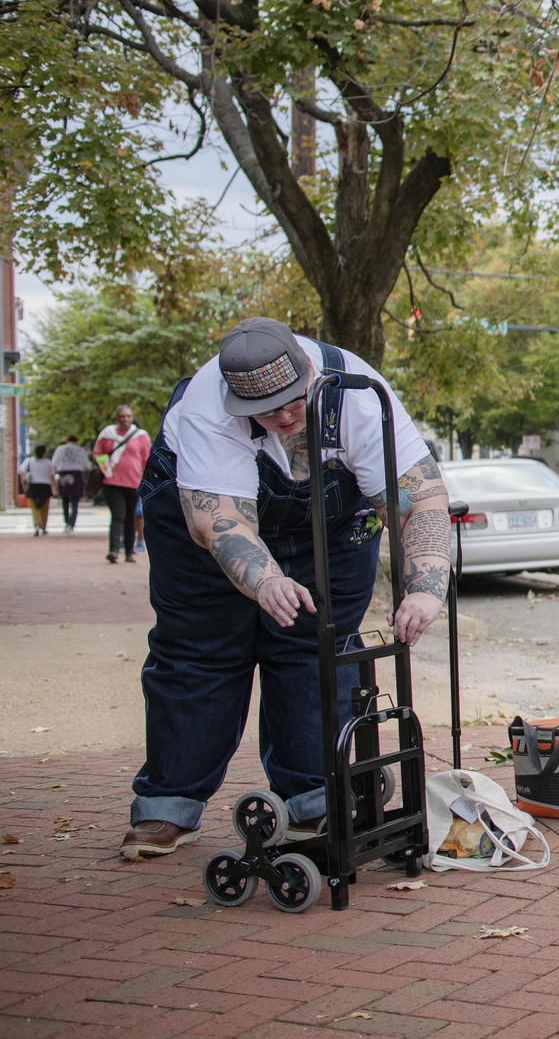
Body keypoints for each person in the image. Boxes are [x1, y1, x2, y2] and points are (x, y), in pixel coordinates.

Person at [120, 318, 452, 859]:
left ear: (309, 372)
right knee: (200, 649)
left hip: (332, 521)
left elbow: (420, 500)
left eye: (292, 401)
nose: (282, 417)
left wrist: (425, 589)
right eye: (265, 409)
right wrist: (267, 579)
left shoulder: (359, 397)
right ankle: (170, 803)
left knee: (316, 647)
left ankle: (313, 796)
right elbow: (219, 525)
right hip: (205, 519)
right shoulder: (207, 409)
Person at [94, 404, 151, 563]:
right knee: (118, 515)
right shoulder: (107, 434)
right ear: (116, 418)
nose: (125, 419)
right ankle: (113, 550)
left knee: (130, 517)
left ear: (131, 418)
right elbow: (98, 453)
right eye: (121, 416)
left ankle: (129, 552)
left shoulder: (141, 436)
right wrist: (106, 467)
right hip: (111, 481)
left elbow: (146, 459)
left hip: (134, 482)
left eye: (128, 416)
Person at [52, 435, 90, 533]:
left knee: (64, 500)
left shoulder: (60, 449)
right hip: (77, 474)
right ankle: (72, 524)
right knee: (75, 501)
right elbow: (86, 465)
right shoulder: (80, 450)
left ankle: (66, 522)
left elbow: (54, 464)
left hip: (64, 474)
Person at [17, 444, 55, 536]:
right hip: (45, 487)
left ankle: (37, 524)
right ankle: (43, 526)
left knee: (35, 508)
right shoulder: (48, 463)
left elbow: (21, 474)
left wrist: (24, 487)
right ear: (44, 452)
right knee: (44, 508)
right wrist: (55, 488)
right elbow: (52, 477)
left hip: (33, 487)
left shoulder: (29, 461)